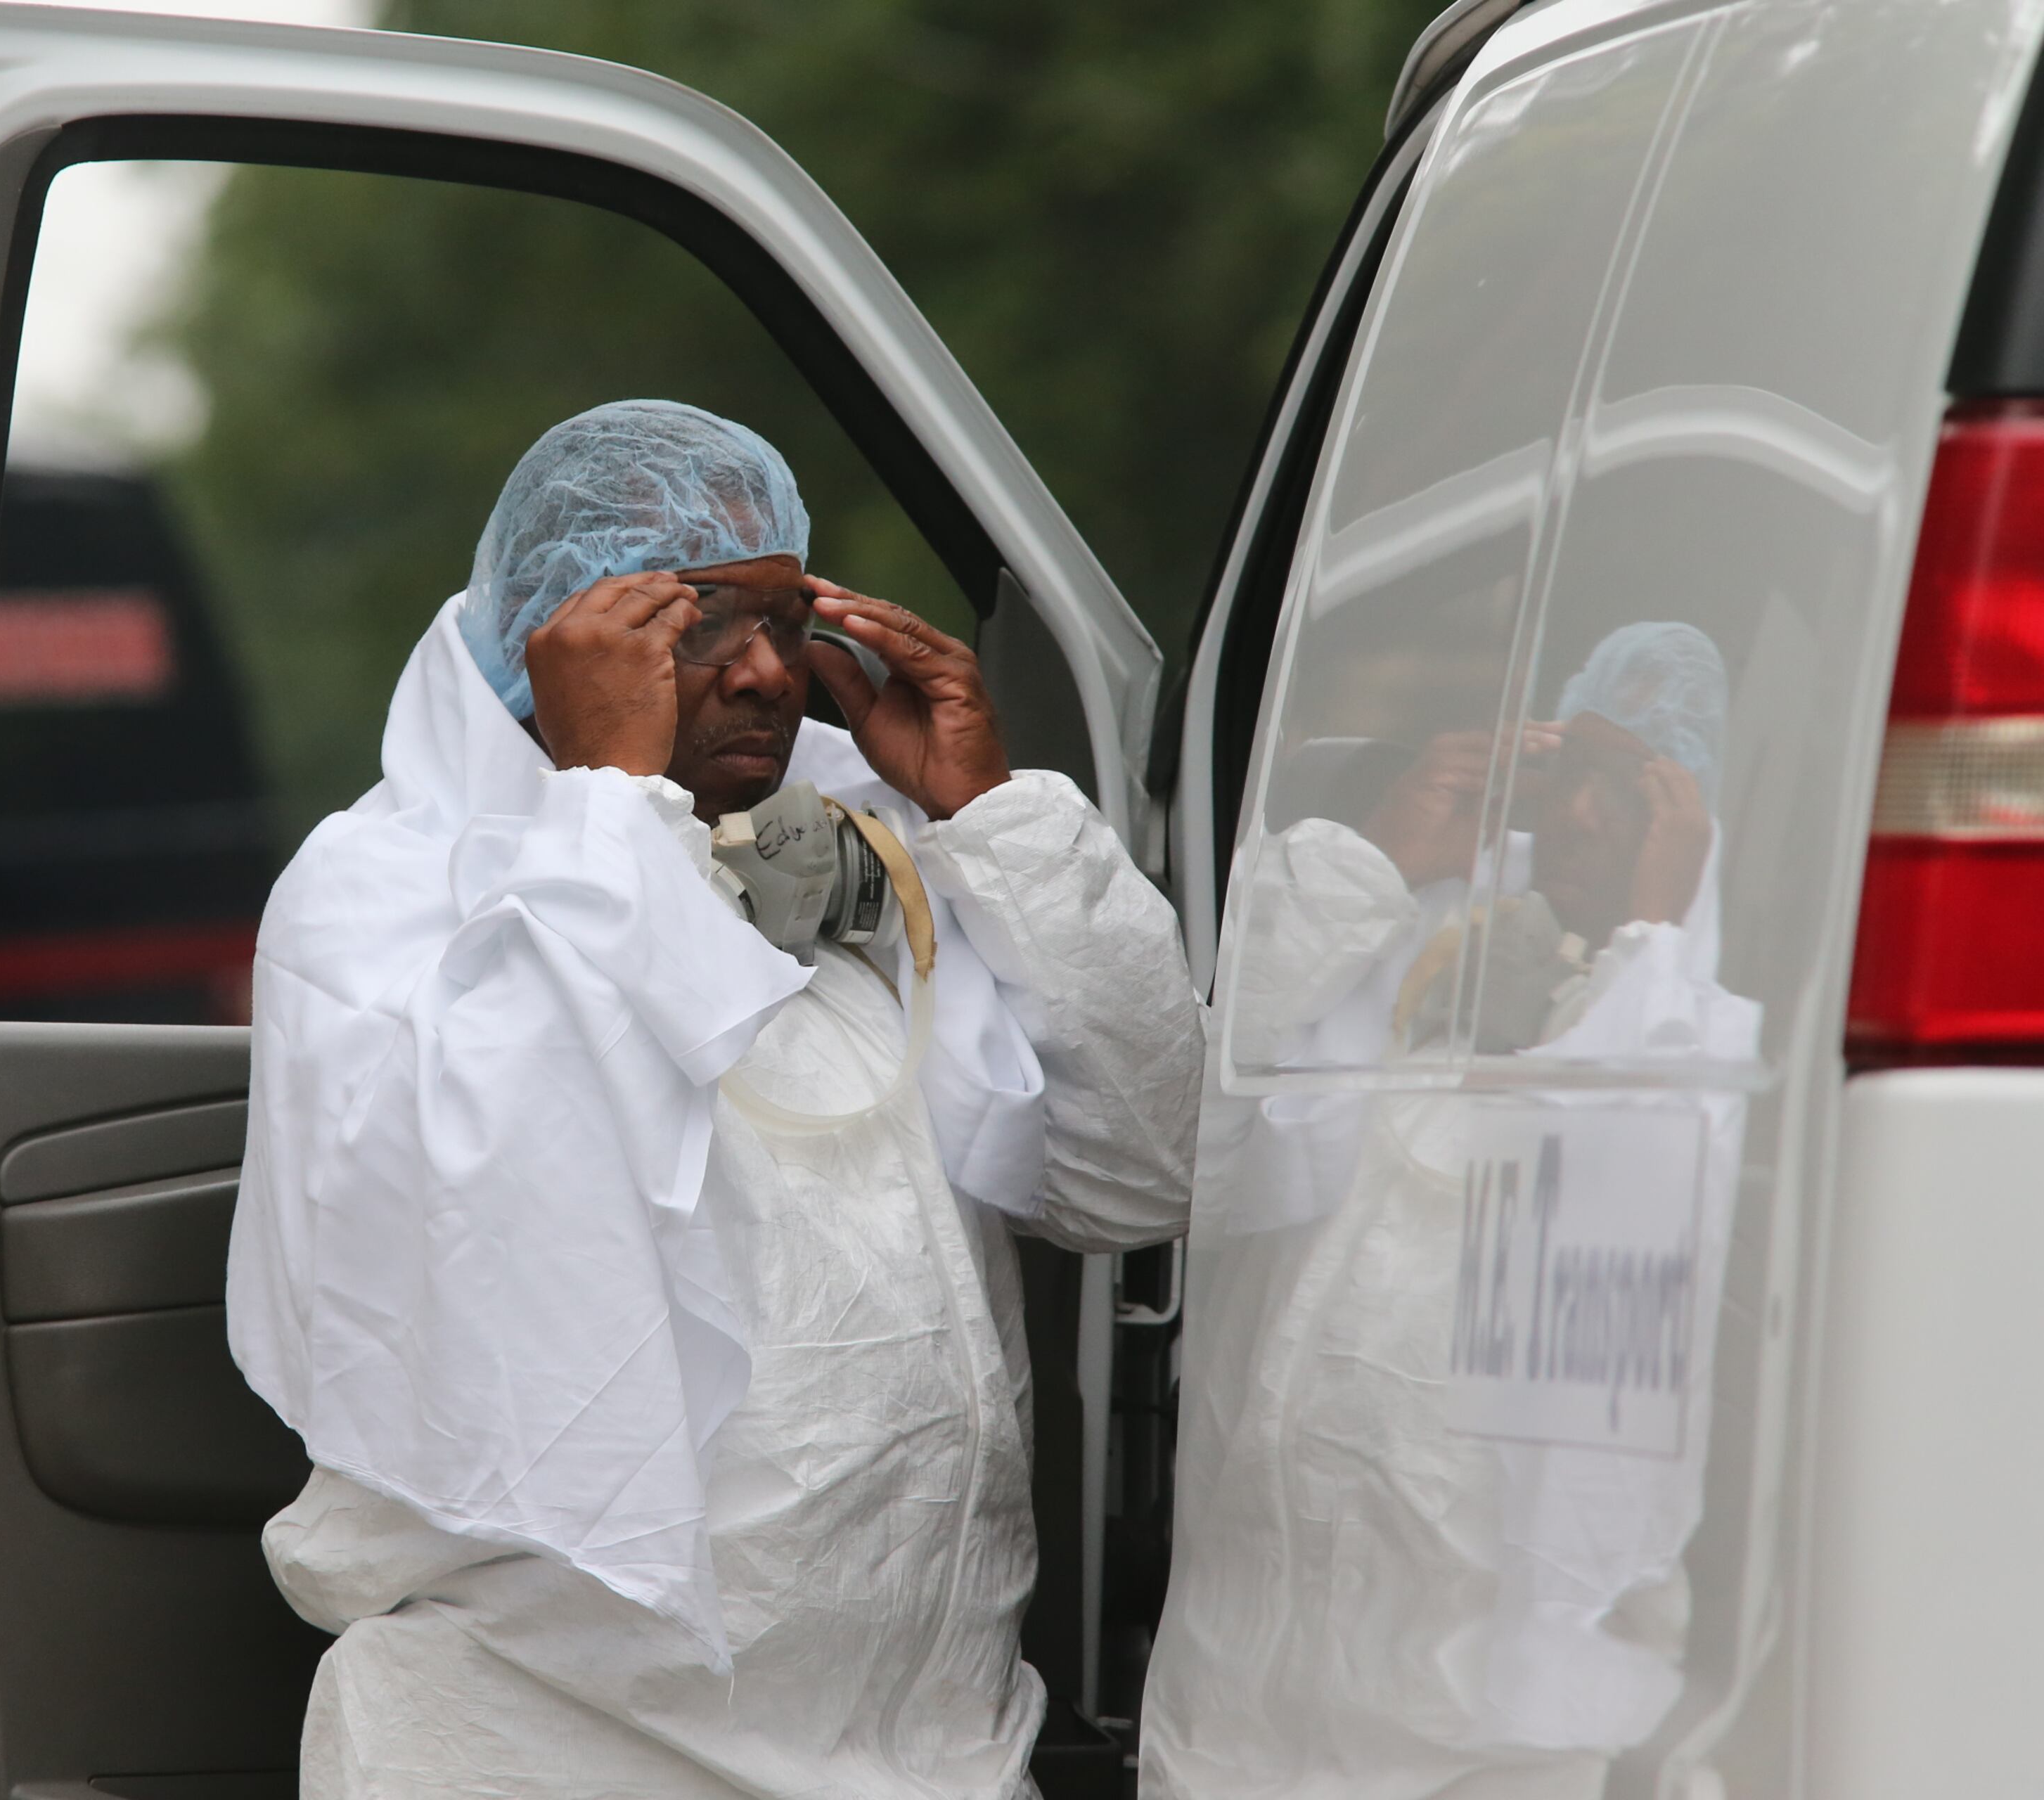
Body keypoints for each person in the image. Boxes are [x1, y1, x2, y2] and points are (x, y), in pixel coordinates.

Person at [225, 399, 1203, 1798]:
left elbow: (1137, 1173)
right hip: (550, 1748)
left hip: (923, 1749)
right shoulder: (384, 894)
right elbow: (507, 1221)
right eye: (697, 620)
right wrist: (613, 802)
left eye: (787, 618)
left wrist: (995, 821)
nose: (767, 674)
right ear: (561, 644)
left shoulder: (837, 875)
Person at [1136, 622, 1760, 1797]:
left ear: (1692, 828)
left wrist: (1653, 949)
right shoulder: (1428, 968)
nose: (1575, 820)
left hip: (1480, 1742)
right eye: (1564, 775)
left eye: (1628, 792)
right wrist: (1372, 868)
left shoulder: (1688, 1046)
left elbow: (1601, 1302)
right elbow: (1204, 1155)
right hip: (1250, 1699)